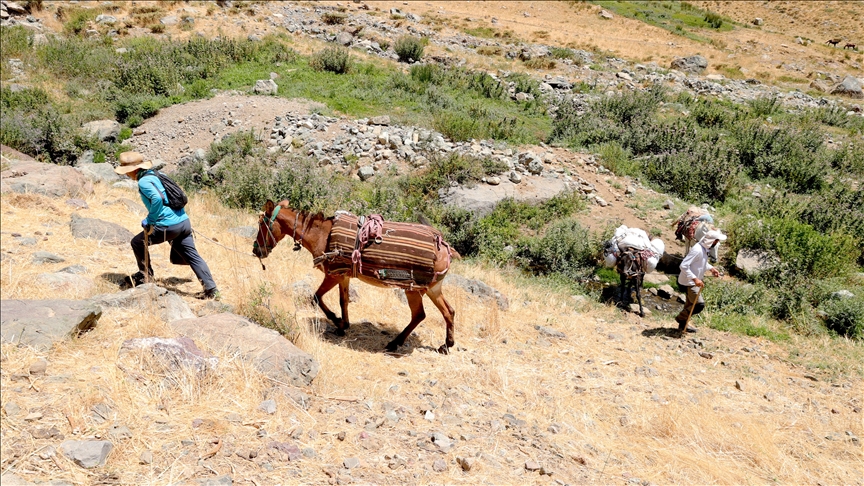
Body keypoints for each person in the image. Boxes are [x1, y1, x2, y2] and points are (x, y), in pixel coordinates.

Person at [114, 152, 219, 300]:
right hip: (183, 222)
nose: (126, 175)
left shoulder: (144, 182)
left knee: (137, 242)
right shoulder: (158, 174)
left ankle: (146, 276)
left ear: (133, 170)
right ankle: (211, 289)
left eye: (126, 171)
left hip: (167, 226)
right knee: (194, 257)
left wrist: (150, 220)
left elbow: (157, 199)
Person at [675, 229, 726, 335]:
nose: (717, 243)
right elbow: (684, 265)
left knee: (689, 303)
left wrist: (711, 268)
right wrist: (695, 278)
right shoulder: (697, 250)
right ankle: (681, 318)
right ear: (711, 241)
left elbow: (701, 263)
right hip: (689, 282)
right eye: (716, 241)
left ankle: (683, 326)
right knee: (699, 304)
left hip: (693, 281)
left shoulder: (704, 249)